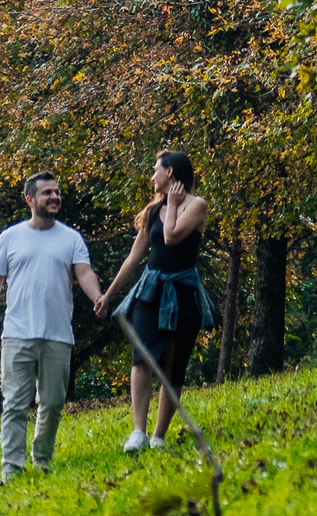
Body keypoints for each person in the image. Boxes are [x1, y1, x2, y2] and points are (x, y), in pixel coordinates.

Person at [0, 169, 105, 488]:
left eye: (57, 192)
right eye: (47, 192)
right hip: (17, 334)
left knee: (51, 403)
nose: (54, 197)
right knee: (15, 404)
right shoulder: (10, 237)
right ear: (30, 200)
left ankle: (42, 459)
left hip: (58, 336)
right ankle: (11, 467)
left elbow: (84, 273)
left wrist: (98, 296)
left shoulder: (71, 238)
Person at [94, 150, 215, 453]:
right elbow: (135, 256)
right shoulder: (152, 212)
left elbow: (172, 236)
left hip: (183, 293)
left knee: (173, 366)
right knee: (142, 356)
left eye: (155, 170)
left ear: (171, 173)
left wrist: (172, 205)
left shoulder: (196, 205)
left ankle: (159, 436)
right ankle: (138, 432)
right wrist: (108, 296)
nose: (152, 177)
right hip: (150, 291)